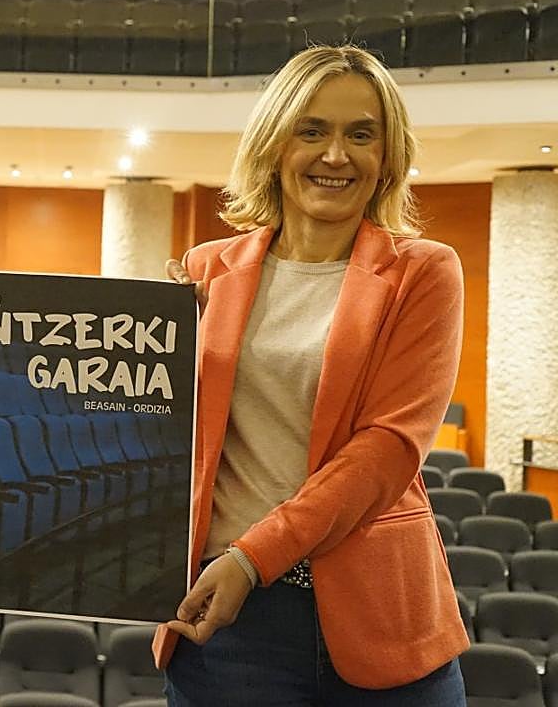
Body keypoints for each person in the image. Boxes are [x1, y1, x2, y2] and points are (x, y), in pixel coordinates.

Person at [153, 45, 469, 706]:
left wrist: (252, 556)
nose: (336, 155)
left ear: (387, 157)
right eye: (313, 130)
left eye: (361, 134)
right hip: (230, 624)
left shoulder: (425, 271)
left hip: (378, 614)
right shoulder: (204, 269)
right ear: (274, 143)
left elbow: (387, 451)